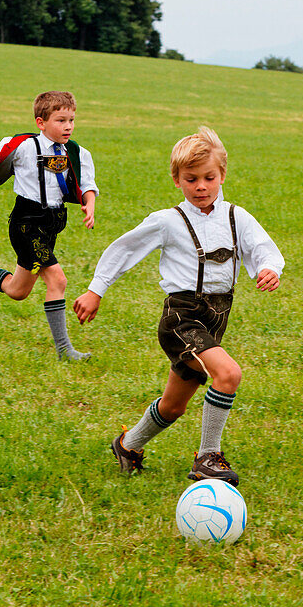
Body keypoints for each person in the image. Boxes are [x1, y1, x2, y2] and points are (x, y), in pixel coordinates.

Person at [73, 127, 284, 486]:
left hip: (217, 317)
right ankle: (207, 458)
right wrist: (96, 290)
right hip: (181, 319)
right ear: (176, 180)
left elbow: (263, 247)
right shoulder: (167, 221)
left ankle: (128, 444)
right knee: (228, 374)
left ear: (222, 176)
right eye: (191, 179)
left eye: (209, 178)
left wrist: (269, 268)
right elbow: (123, 249)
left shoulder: (237, 217)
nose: (201, 186)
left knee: (174, 406)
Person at [0, 90, 98, 360]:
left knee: (18, 290)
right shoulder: (23, 146)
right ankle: (64, 351)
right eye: (61, 120)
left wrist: (89, 204)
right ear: (41, 123)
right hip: (26, 224)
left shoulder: (77, 152)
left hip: (52, 224)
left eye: (72, 120)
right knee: (57, 279)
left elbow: (88, 185)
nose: (69, 126)